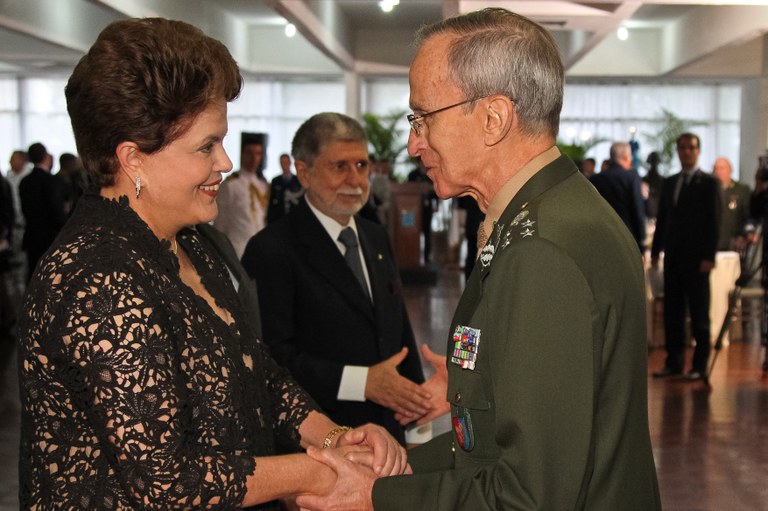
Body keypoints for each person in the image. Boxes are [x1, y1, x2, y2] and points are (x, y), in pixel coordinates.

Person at [17, 18, 408, 511]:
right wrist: (318, 471)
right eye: (206, 145)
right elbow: (166, 481)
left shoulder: (194, 242)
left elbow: (253, 368)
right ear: (133, 158)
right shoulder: (99, 278)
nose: (225, 161)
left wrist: (334, 438)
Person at [298, 8, 660, 510]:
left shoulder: (541, 249)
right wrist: (400, 463)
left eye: (424, 117)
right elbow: (507, 446)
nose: (412, 142)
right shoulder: (552, 214)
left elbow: (532, 496)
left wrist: (379, 497)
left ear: (493, 118)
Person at [241, 112, 444, 447]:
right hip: (322, 439)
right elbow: (270, 358)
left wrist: (417, 424)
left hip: (389, 432)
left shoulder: (375, 236)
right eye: (340, 167)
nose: (355, 179)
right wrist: (361, 381)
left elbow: (398, 331)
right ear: (304, 172)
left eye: (362, 166)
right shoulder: (271, 250)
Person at [651, 133, 722, 380]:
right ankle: (674, 362)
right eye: (682, 148)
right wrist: (656, 251)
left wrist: (709, 257)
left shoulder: (710, 183)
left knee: (699, 313)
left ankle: (699, 365)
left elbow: (714, 223)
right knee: (673, 312)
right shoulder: (671, 182)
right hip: (673, 258)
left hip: (697, 260)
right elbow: (663, 221)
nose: (686, 152)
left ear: (698, 151)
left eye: (691, 148)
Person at [214, 132, 270, 258]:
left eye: (258, 153)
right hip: (237, 249)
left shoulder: (263, 185)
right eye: (250, 153)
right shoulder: (231, 184)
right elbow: (220, 224)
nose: (254, 158)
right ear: (242, 154)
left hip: (260, 250)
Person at [18, 142, 67, 282]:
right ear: (46, 157)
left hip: (32, 234)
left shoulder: (25, 181)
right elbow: (57, 210)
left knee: (34, 275)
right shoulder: (51, 181)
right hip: (51, 236)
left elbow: (24, 209)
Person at [590, 141, 647, 252]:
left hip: (601, 236)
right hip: (627, 236)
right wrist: (642, 241)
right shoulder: (632, 178)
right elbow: (637, 209)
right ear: (626, 157)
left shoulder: (596, 179)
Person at [712, 156, 751, 252]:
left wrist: (744, 234)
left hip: (734, 243)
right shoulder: (708, 191)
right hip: (712, 244)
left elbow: (747, 215)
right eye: (716, 168)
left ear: (730, 170)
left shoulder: (741, 190)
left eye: (722, 168)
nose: (718, 172)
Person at [407, 159, 438, 264]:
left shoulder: (431, 175)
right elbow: (408, 190)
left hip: (427, 208)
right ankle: (412, 256)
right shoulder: (412, 175)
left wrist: (435, 205)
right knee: (412, 231)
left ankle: (427, 258)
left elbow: (436, 192)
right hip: (414, 210)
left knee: (427, 233)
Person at [266, 152, 303, 224]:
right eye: (282, 163)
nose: (284, 165)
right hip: (279, 217)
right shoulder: (276, 181)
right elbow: (271, 202)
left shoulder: (298, 180)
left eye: (286, 162)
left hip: (295, 217)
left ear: (290, 163)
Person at [643, 151, 664, 219]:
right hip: (646, 215)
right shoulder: (643, 180)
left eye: (655, 162)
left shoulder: (664, 181)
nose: (654, 165)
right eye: (652, 162)